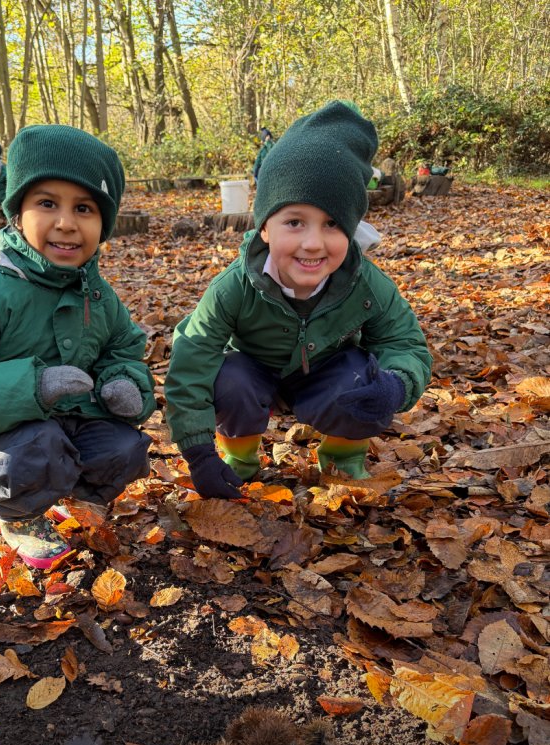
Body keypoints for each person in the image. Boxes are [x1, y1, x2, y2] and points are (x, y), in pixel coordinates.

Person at [0, 125, 156, 568]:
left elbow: (123, 348)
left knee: (123, 446)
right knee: (37, 447)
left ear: (103, 224)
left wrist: (123, 380)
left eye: (85, 208)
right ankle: (19, 514)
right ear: (17, 213)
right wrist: (32, 386)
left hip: (66, 417)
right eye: (47, 204)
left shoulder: (98, 293)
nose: (66, 223)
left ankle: (67, 493)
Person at [164, 101, 432, 497]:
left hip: (327, 378)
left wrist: (396, 385)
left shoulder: (365, 283)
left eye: (332, 224)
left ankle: (343, 457)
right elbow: (192, 357)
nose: (312, 243)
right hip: (257, 376)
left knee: (366, 377)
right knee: (228, 377)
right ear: (265, 228)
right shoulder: (234, 287)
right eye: (294, 222)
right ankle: (240, 457)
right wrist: (199, 451)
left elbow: (404, 342)